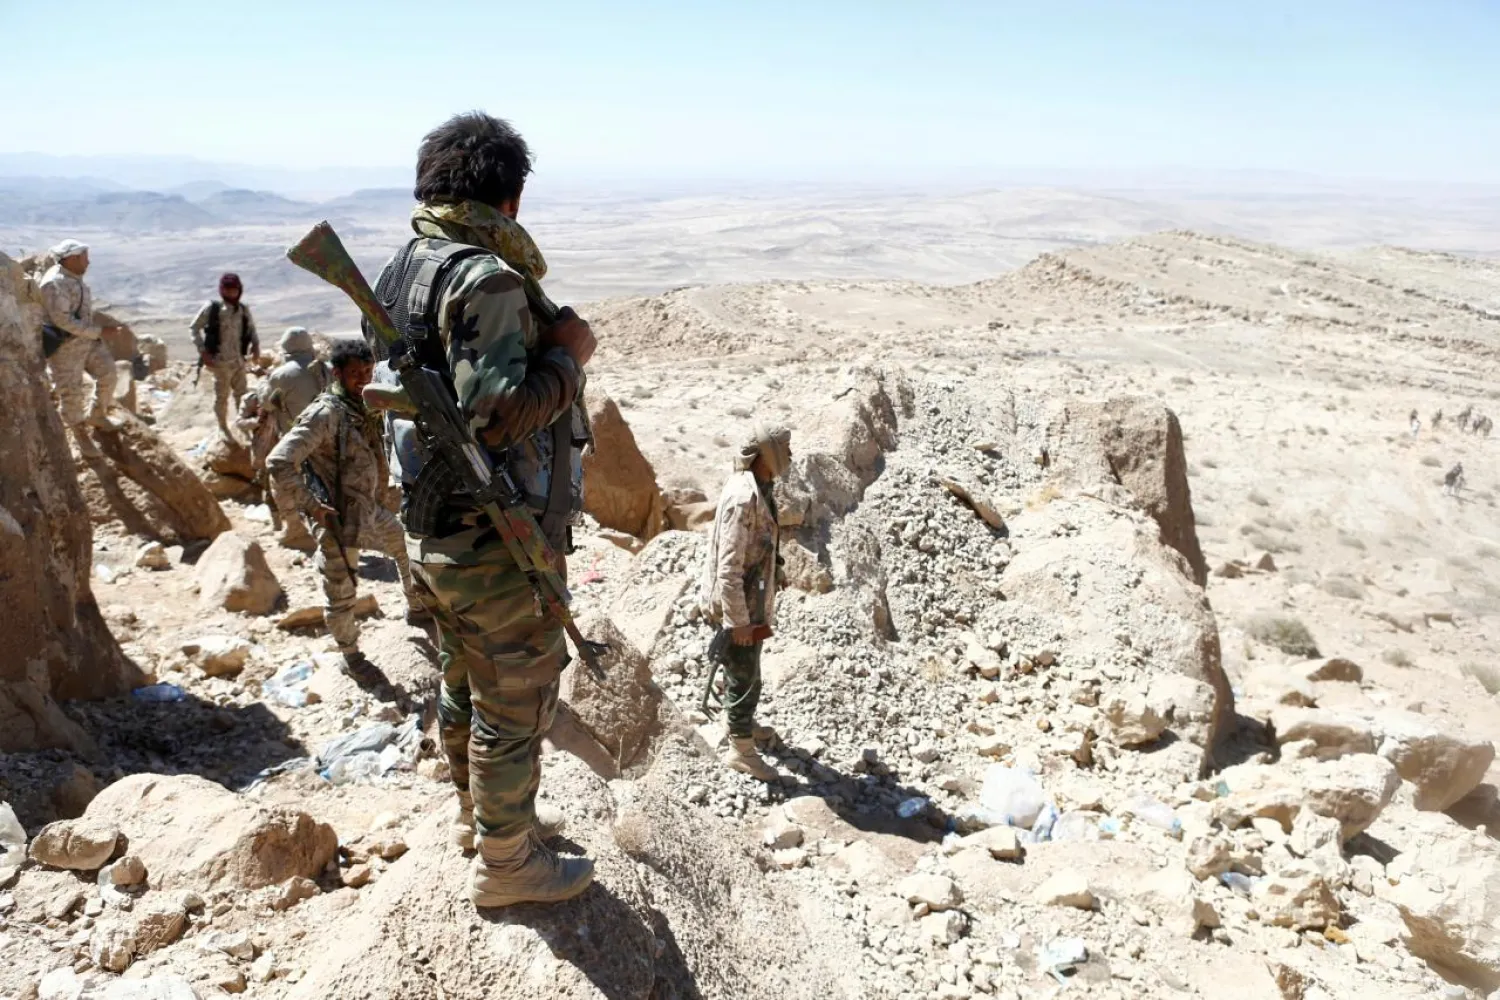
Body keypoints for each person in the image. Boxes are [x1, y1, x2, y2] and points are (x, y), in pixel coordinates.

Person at [372, 112, 597, 909]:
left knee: (463, 676)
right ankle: (508, 865)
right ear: (513, 195)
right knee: (516, 694)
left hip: (429, 530)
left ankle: (480, 821)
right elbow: (497, 414)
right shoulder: (485, 278)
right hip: (492, 539)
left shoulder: (404, 269)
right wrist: (567, 356)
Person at [265, 338, 424, 663]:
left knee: (406, 551)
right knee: (341, 590)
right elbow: (279, 461)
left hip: (369, 508)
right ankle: (350, 654)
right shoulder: (325, 413)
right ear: (337, 373)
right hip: (336, 516)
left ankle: (417, 609)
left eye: (367, 371)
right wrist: (311, 505)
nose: (363, 378)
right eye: (355, 373)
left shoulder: (363, 405)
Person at [699, 424, 794, 783]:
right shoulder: (743, 496)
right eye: (785, 447)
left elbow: (763, 540)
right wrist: (737, 622)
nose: (791, 454)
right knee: (744, 675)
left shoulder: (761, 487)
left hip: (750, 597)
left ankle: (742, 724)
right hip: (737, 602)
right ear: (767, 453)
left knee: (746, 670)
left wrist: (777, 568)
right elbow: (728, 568)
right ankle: (741, 750)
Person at [39, 240, 124, 457]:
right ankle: (80, 437)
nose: (89, 261)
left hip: (87, 342)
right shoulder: (54, 283)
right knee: (71, 393)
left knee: (109, 374)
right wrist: (99, 332)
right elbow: (62, 320)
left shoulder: (73, 278)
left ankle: (97, 414)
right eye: (85, 257)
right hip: (66, 348)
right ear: (72, 258)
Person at [253, 327, 329, 550]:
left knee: (280, 480)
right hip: (329, 438)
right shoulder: (326, 369)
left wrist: (261, 385)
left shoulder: (282, 375)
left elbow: (268, 403)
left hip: (298, 440)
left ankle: (295, 531)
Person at [190, 273, 259, 436]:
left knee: (242, 396)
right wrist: (203, 351)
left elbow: (251, 329)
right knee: (221, 397)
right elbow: (194, 328)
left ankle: (244, 429)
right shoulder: (212, 308)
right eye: (228, 290)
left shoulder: (242, 309)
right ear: (222, 290)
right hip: (220, 362)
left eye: (234, 289)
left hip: (239, 361)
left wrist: (256, 345)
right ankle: (222, 427)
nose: (231, 293)